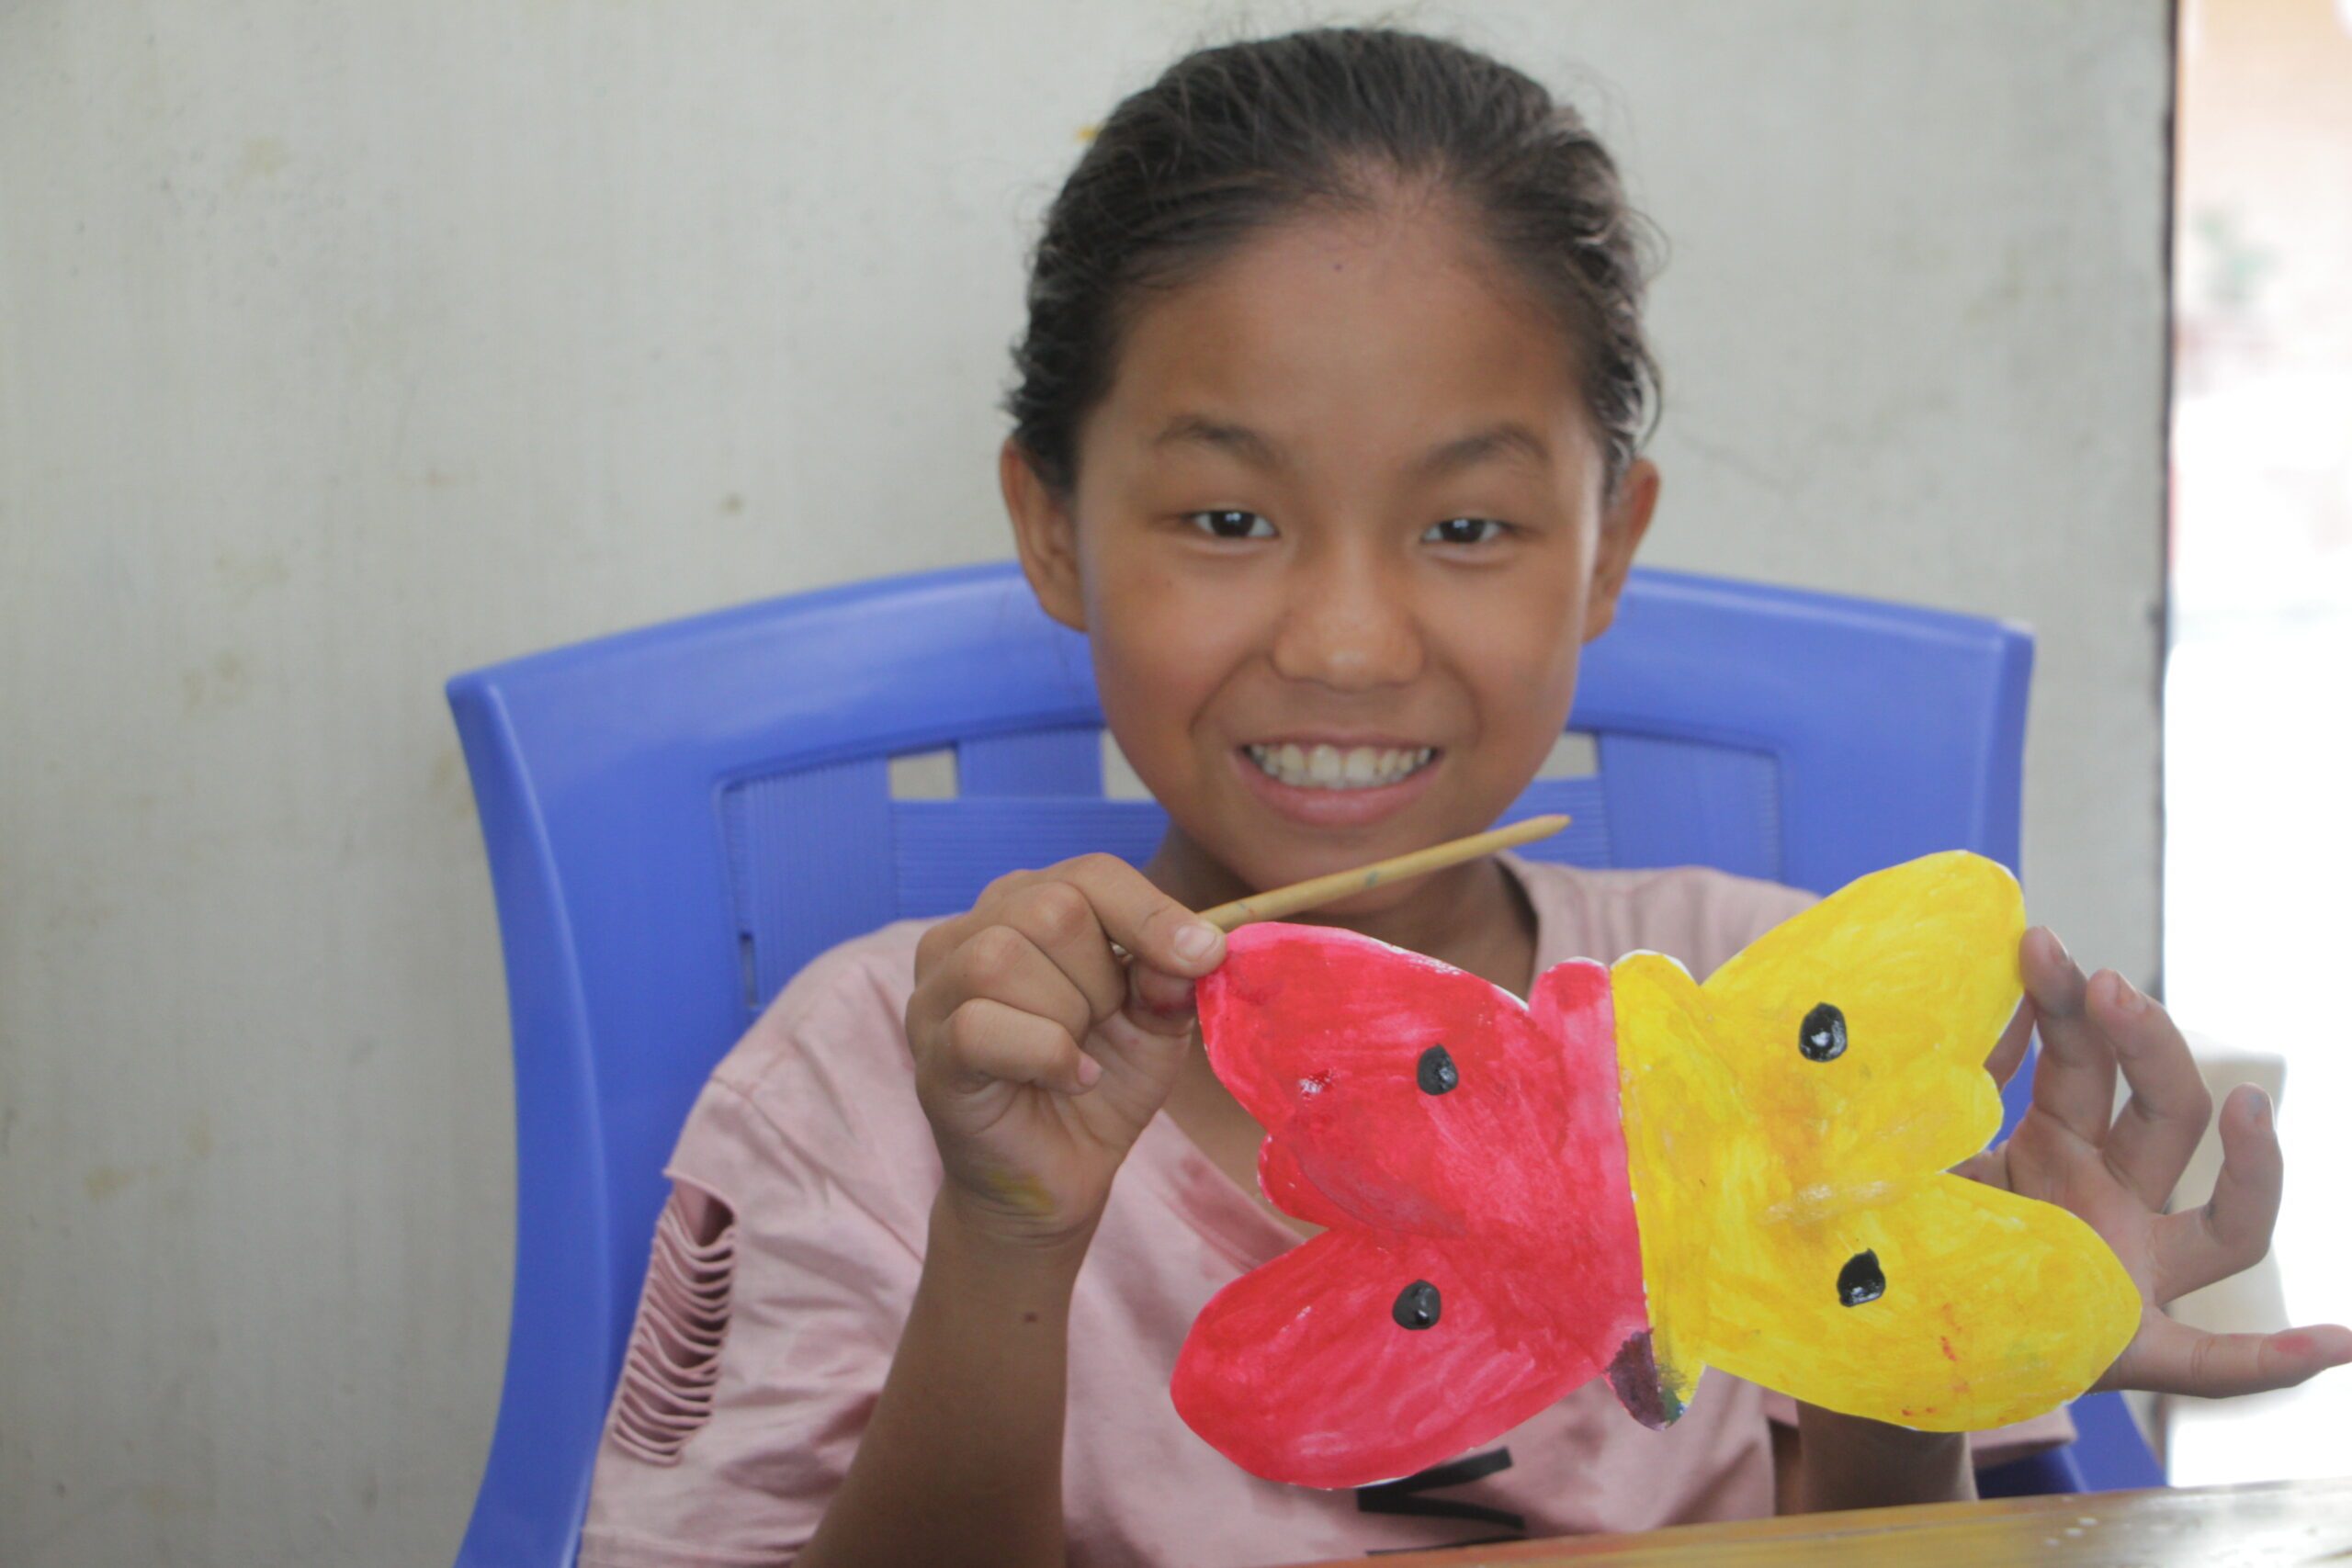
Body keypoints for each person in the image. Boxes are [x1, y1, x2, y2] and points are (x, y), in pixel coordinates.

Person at [577, 27, 2349, 1567]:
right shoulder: (879, 1077)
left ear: (1608, 550)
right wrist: (1004, 1239)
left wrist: (1907, 1314)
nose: (1349, 643)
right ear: (1053, 527)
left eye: (1469, 526)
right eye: (1228, 519)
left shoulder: (1764, 1015)